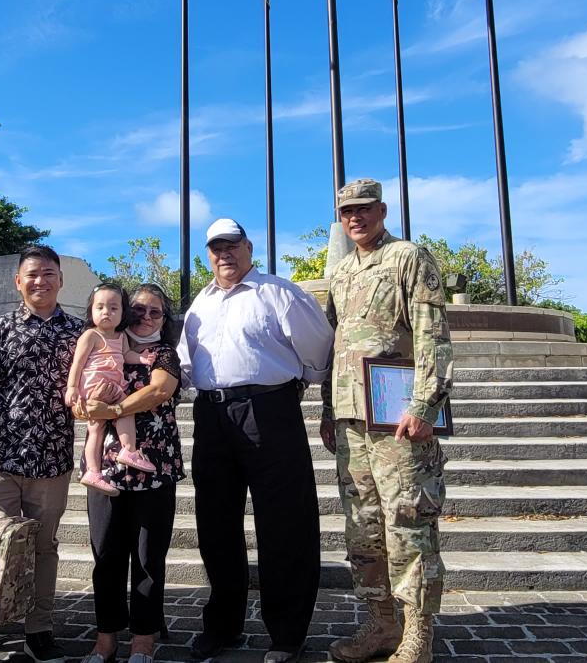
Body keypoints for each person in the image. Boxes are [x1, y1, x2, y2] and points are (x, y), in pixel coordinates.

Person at [177, 219, 335, 663]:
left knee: (285, 522)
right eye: (216, 248)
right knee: (215, 524)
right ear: (208, 254)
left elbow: (319, 351)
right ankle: (222, 626)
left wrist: (296, 390)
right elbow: (187, 365)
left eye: (232, 245)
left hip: (269, 411)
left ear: (249, 248)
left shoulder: (280, 293)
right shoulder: (199, 306)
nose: (224, 254)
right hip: (212, 414)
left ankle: (287, 633)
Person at [321, 180, 454, 663]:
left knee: (409, 525)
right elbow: (335, 346)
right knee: (364, 531)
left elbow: (432, 334)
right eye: (346, 211)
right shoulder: (341, 273)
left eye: (363, 209)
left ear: (381, 209)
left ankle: (418, 633)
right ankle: (379, 626)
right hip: (352, 421)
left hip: (397, 419)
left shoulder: (408, 258)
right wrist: (328, 409)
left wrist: (425, 405)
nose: (355, 217)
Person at [0, 245, 86, 663]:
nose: (40, 281)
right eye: (31, 274)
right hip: (1, 461)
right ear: (18, 281)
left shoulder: (80, 333)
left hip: (51, 462)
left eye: (48, 273)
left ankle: (39, 629)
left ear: (60, 279)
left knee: (44, 548)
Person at [76, 282, 186, 663]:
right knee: (105, 555)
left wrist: (110, 410)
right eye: (138, 310)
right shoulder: (103, 346)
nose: (145, 317)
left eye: (155, 312)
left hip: (153, 468)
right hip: (104, 470)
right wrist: (83, 404)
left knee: (147, 558)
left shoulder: (163, 354)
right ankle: (105, 639)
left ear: (164, 318)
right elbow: (78, 396)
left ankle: (143, 640)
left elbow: (158, 392)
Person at [65, 283, 158, 496]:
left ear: (123, 312)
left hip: (114, 387)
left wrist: (142, 358)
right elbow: (77, 364)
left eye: (113, 308)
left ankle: (123, 453)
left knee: (122, 413)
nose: (106, 312)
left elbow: (126, 355)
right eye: (100, 307)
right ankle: (98, 468)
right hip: (95, 389)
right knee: (100, 426)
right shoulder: (91, 335)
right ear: (91, 311)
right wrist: (72, 388)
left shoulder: (121, 336)